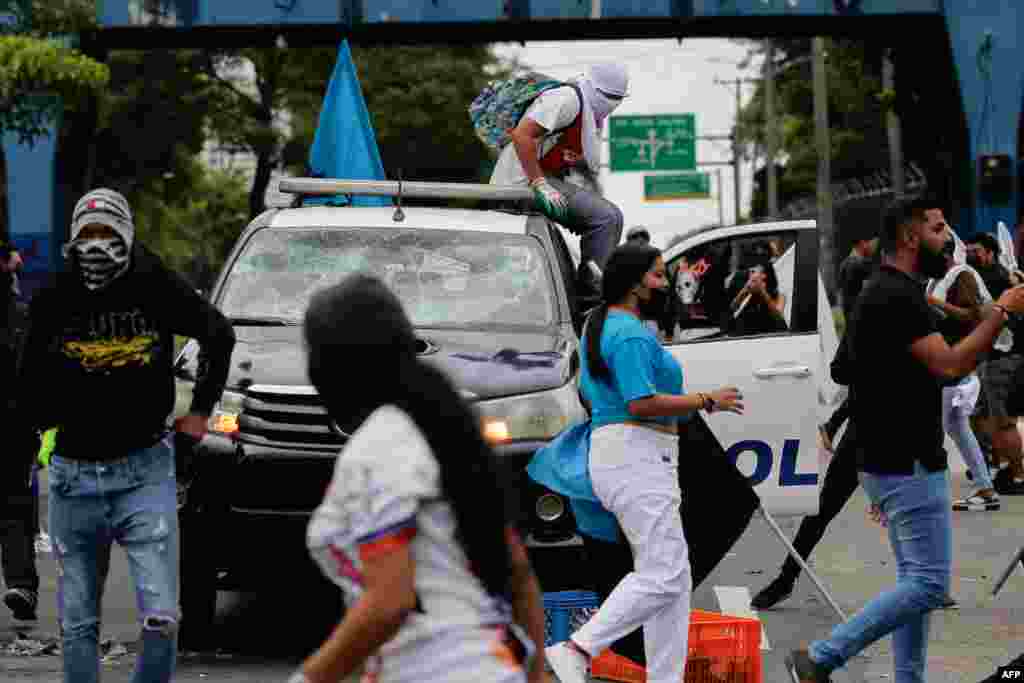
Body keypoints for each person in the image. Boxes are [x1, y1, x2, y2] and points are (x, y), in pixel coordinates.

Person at [787, 197, 1024, 683]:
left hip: (888, 457)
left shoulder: (882, 292)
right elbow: (952, 364)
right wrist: (1001, 310)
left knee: (914, 580)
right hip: (905, 460)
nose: (949, 238)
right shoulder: (897, 295)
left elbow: (847, 367)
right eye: (939, 229)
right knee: (930, 584)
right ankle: (821, 658)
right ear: (911, 237)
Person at [16, 188, 236, 683]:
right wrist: (37, 428)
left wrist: (199, 413)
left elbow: (218, 333)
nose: (98, 245)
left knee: (161, 619)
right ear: (73, 238)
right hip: (74, 479)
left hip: (145, 473)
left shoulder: (152, 280)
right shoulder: (54, 293)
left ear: (128, 235)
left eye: (108, 234)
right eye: (87, 235)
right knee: (78, 626)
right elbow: (25, 380)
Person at [294, 274, 547, 683]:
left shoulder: (382, 445)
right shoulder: (443, 435)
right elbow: (519, 572)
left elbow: (389, 602)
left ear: (332, 364)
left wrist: (307, 680)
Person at [544, 243, 743, 683]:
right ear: (634, 283)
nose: (664, 283)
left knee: (675, 577)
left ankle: (665, 677)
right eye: (656, 275)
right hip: (637, 457)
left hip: (630, 456)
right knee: (663, 572)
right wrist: (706, 400)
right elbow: (640, 402)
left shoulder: (604, 325)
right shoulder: (629, 334)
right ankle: (577, 649)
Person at [490, 62, 627, 275]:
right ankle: (593, 296)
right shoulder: (567, 99)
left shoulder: (587, 114)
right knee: (606, 218)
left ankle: (589, 289)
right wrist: (539, 183)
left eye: (618, 98)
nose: (612, 104)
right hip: (520, 186)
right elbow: (522, 135)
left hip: (539, 185)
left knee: (611, 218)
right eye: (609, 96)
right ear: (592, 88)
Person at [926, 241, 1001, 510]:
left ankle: (932, 492)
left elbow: (971, 316)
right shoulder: (937, 278)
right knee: (956, 427)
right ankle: (985, 488)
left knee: (933, 427)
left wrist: (933, 302)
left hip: (954, 364)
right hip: (946, 363)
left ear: (946, 254)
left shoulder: (962, 275)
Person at [0, 224, 39, 622]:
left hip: (15, 424)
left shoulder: (22, 316)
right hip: (15, 426)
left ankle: (23, 585)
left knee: (14, 505)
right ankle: (22, 584)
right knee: (14, 506)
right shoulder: (19, 317)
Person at [966, 233, 1024, 494]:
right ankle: (1003, 466)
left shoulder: (997, 279)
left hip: (1003, 358)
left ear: (990, 253)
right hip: (995, 357)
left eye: (976, 251)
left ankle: (1018, 475)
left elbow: (985, 315)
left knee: (1003, 420)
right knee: (988, 417)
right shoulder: (1000, 277)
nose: (971, 255)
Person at [819, 231, 879, 451]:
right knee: (864, 390)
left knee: (863, 390)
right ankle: (833, 427)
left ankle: (833, 427)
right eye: (873, 240)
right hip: (862, 336)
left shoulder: (848, 264)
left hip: (856, 334)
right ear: (862, 241)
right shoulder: (857, 266)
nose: (875, 245)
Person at [726, 255, 787, 336]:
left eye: (753, 272)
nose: (750, 274)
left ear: (764, 275)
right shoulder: (749, 292)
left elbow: (779, 318)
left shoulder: (780, 295)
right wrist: (744, 290)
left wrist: (762, 291)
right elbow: (733, 308)